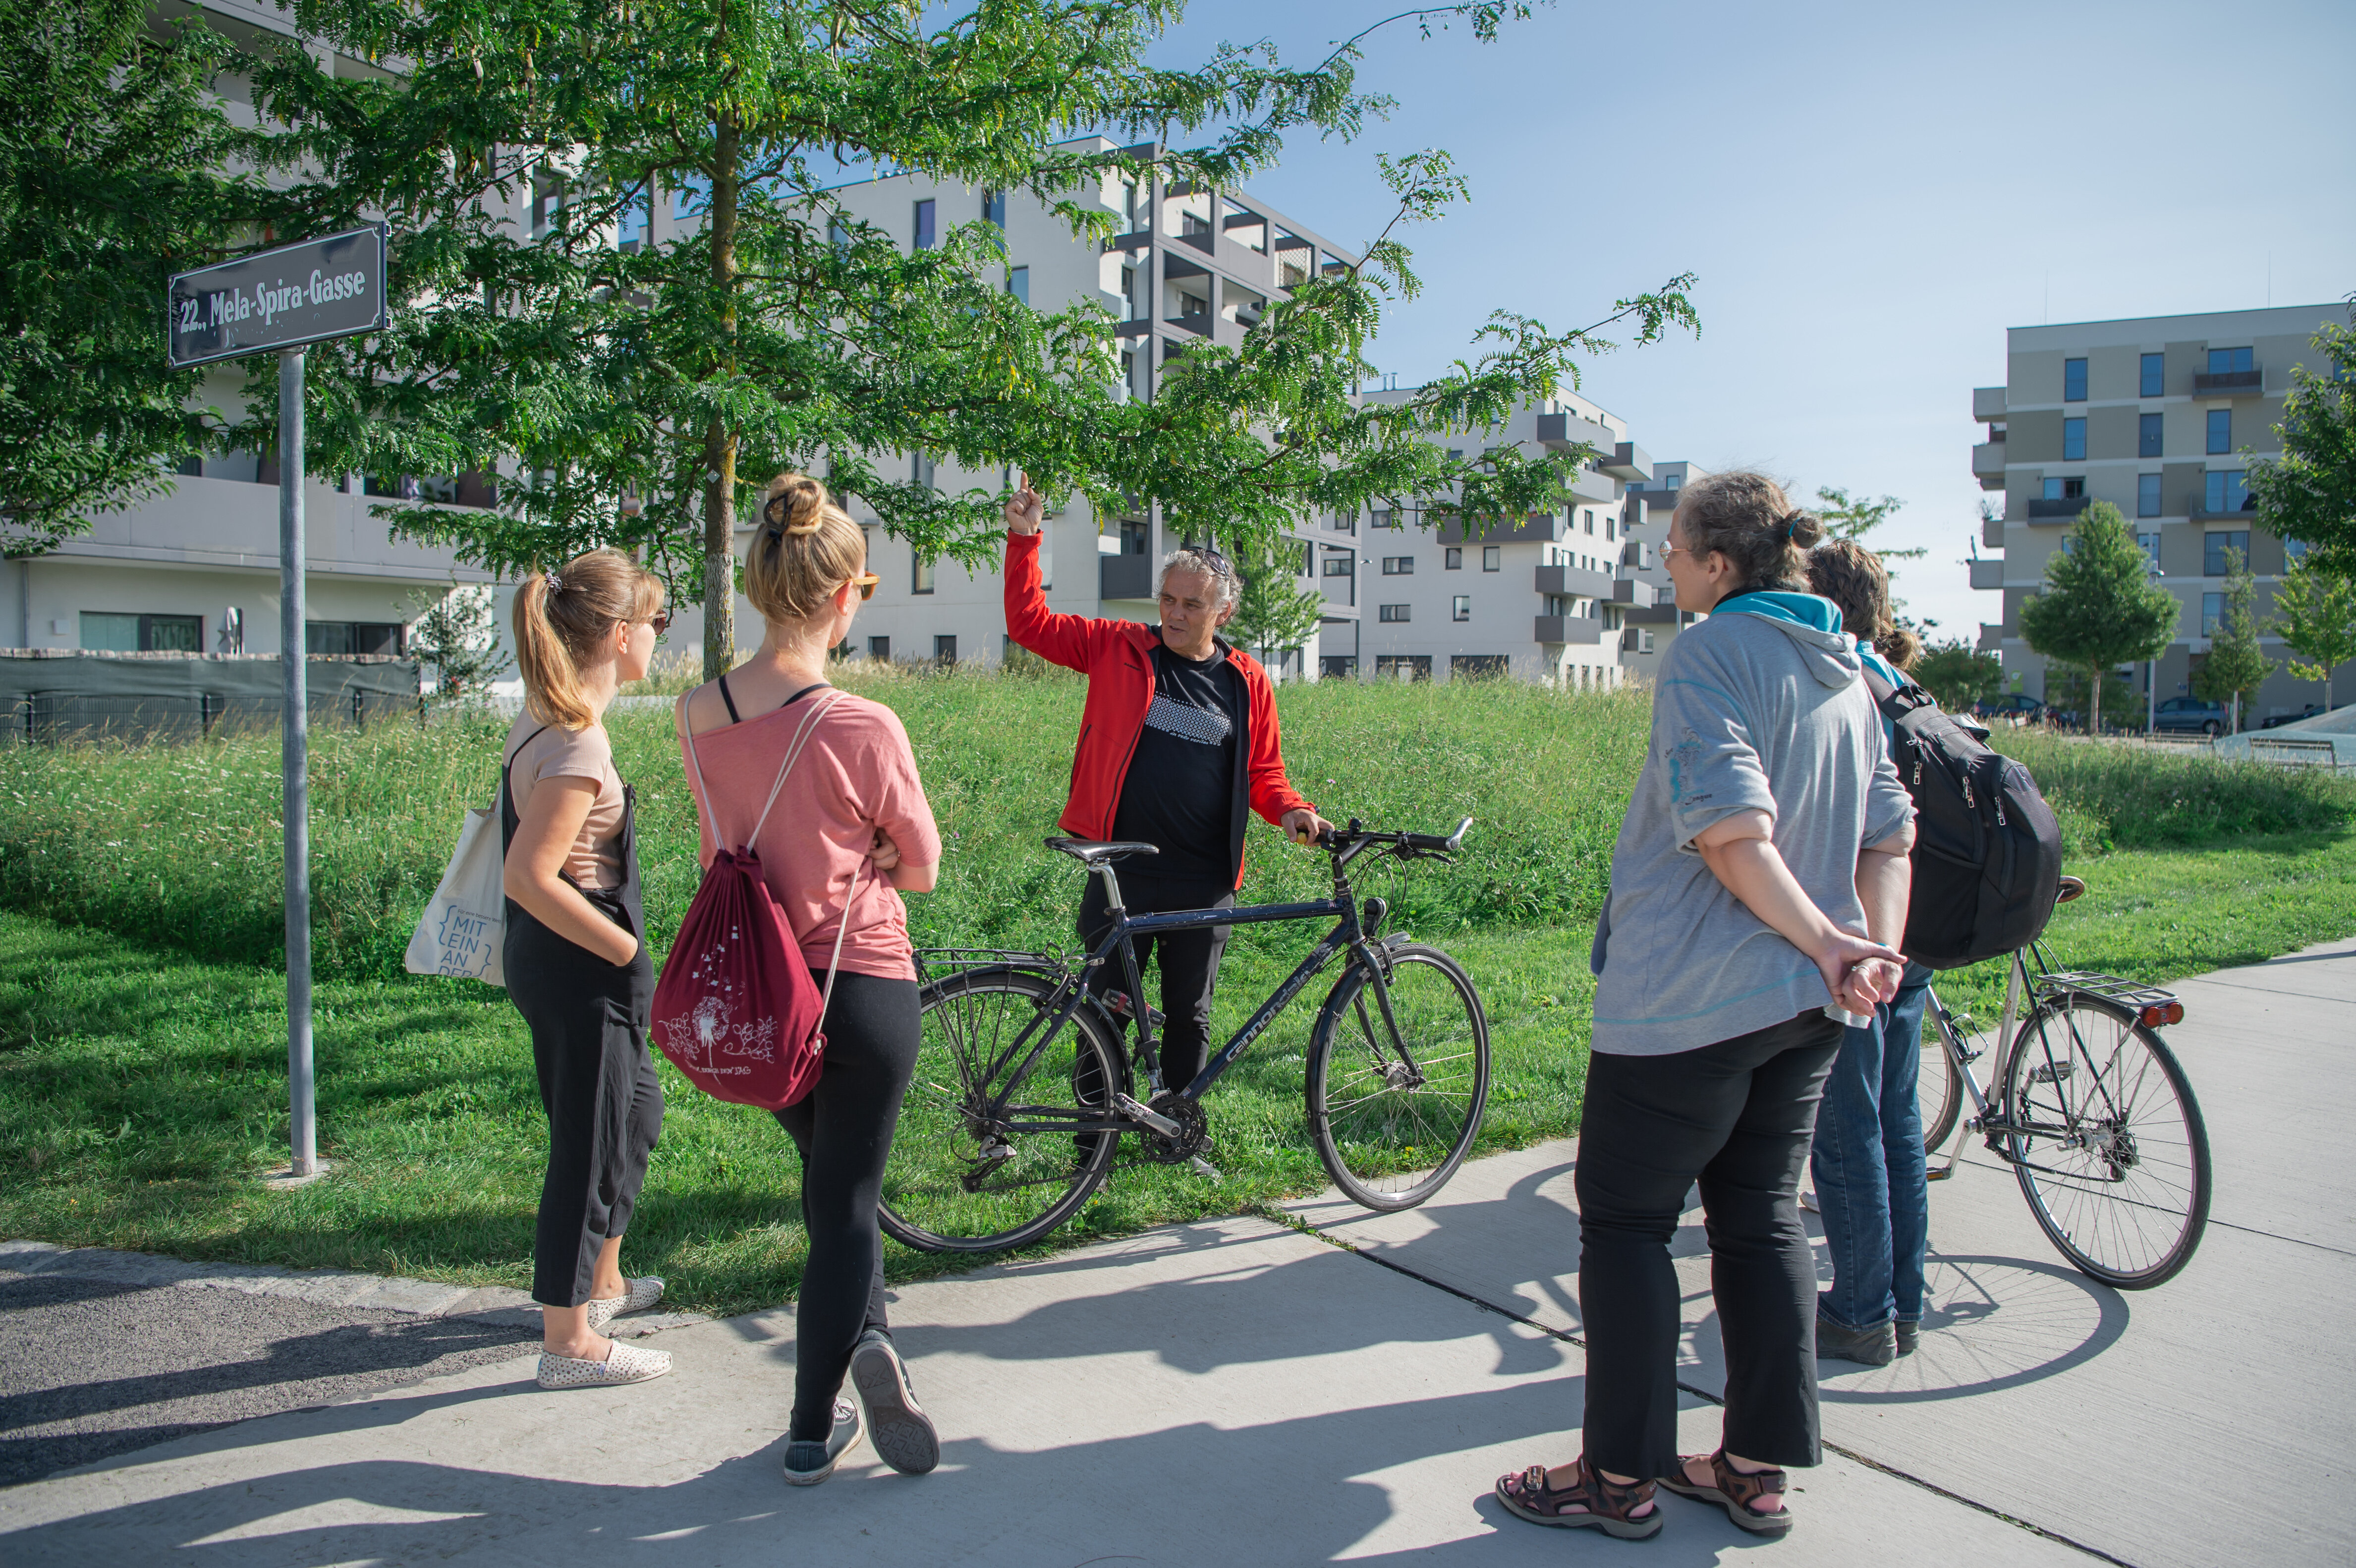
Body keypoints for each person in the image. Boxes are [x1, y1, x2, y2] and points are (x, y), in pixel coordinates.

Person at [1495, 472, 1916, 1540]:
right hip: (1807, 1008)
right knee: (1761, 1218)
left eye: (1677, 551)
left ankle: (1617, 1480)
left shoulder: (1712, 653)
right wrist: (1868, 949)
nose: (1667, 567)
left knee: (1628, 1224)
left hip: (1690, 998)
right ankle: (1750, 1467)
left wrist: (1831, 941)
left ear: (1721, 564)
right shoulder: (1848, 674)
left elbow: (1732, 826)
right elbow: (1888, 835)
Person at [676, 473, 944, 1487]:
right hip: (862, 987)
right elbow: (918, 862)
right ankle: (805, 1428)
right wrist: (871, 851)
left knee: (835, 1188)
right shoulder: (863, 725)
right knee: (844, 1203)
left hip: (758, 996)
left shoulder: (695, 711)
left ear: (755, 586)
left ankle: (869, 1335)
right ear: (845, 597)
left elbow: (728, 840)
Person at [1000, 477, 1330, 1107]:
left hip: (1202, 880)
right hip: (1122, 871)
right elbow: (1029, 623)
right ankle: (1090, 1138)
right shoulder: (1115, 646)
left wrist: (1291, 810)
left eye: (1192, 605)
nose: (1175, 614)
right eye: (1168, 599)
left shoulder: (1247, 682)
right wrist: (1024, 540)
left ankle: (1174, 1125)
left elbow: (1264, 773)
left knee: (1189, 1014)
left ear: (1223, 613)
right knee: (1104, 1012)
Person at [501, 548, 675, 1391]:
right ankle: (567, 1340)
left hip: (570, 957)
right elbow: (528, 874)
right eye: (655, 621)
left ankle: (601, 1281)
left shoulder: (554, 718)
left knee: (636, 1110)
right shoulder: (575, 738)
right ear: (618, 633)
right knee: (587, 1139)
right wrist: (625, 950)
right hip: (582, 958)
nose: (659, 637)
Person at [1804, 539, 1937, 1366]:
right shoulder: (1902, 679)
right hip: (1906, 929)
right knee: (1896, 1118)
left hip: (1855, 931)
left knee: (1842, 1125)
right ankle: (1902, 1305)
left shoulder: (1838, 674)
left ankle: (1857, 1310)